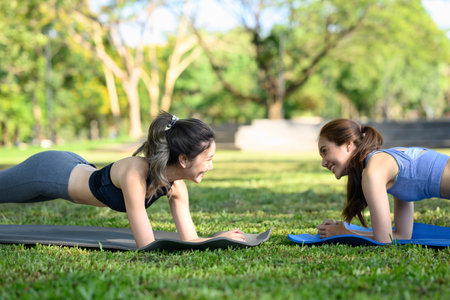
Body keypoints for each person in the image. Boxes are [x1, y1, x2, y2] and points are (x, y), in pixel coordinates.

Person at [0, 112, 245, 248]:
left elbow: (189, 239)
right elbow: (146, 244)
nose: (211, 166)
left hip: (73, 167)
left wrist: (216, 238)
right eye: (208, 158)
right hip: (50, 172)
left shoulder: (177, 188)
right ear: (183, 160)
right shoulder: (134, 173)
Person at [316, 118, 450, 243]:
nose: (323, 163)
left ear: (348, 145)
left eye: (325, 151)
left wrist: (343, 233)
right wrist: (344, 231)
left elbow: (384, 240)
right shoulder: (388, 167)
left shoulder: (373, 172)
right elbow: (402, 236)